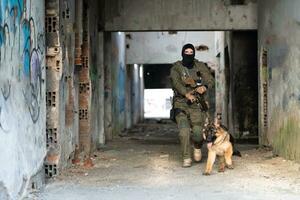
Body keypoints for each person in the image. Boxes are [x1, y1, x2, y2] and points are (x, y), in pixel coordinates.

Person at [170, 43, 215, 167]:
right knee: (184, 130)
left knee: (197, 132)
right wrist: (186, 94)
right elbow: (176, 83)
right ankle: (186, 157)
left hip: (197, 104)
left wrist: (204, 87)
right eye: (187, 52)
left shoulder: (200, 66)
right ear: (182, 53)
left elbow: (210, 80)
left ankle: (197, 146)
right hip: (181, 103)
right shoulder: (176, 68)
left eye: (191, 53)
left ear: (194, 53)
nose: (189, 55)